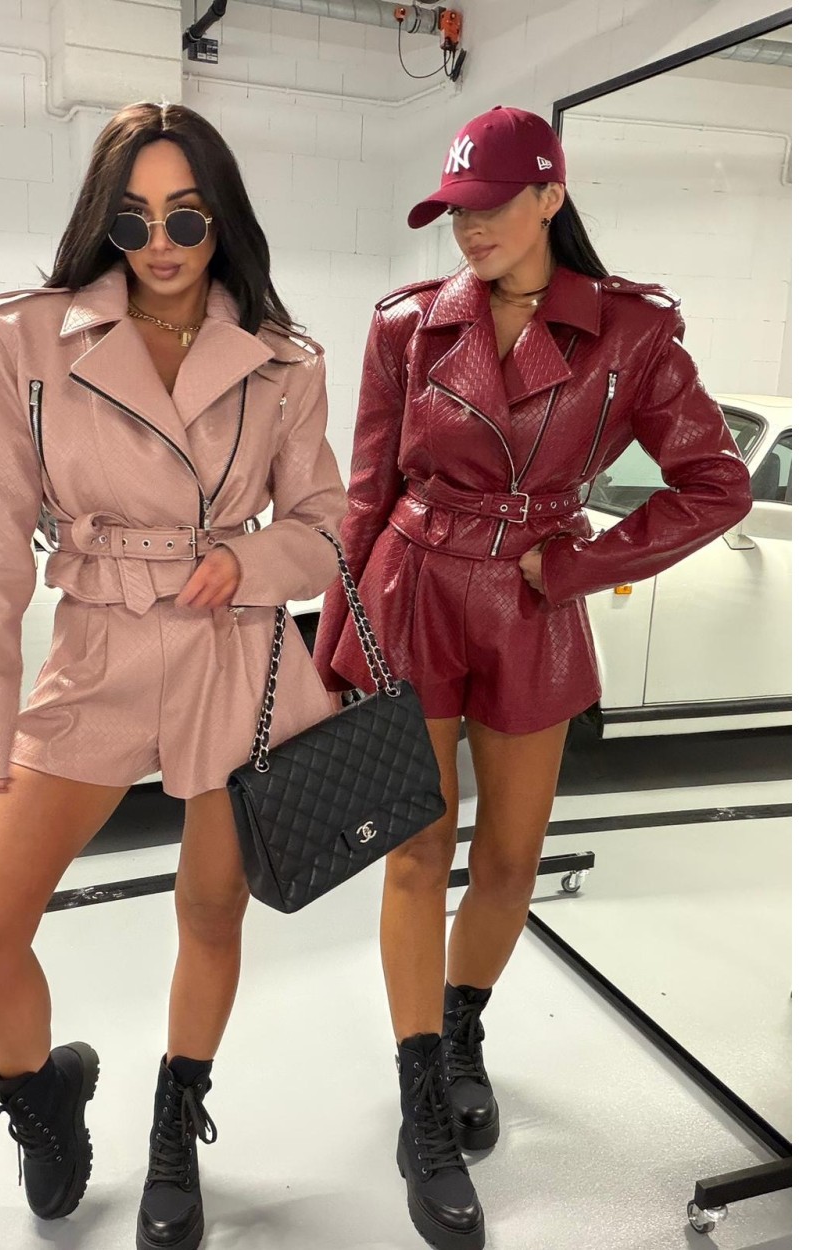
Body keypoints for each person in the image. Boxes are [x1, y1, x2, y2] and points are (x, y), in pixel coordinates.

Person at [312, 105, 752, 1250]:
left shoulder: (630, 333)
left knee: (510, 853)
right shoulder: (407, 325)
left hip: (530, 605)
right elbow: (365, 492)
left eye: (492, 206)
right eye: (455, 211)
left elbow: (715, 483)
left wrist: (580, 564)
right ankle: (422, 1092)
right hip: (412, 588)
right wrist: (333, 644)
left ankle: (461, 1025)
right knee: (417, 849)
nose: (469, 230)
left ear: (551, 195)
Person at [0, 101, 347, 1250]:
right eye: (131, 218)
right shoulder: (24, 338)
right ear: (102, 221)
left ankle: (178, 1121)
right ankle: (44, 1096)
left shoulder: (284, 358)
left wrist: (251, 560)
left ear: (222, 218)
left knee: (210, 908)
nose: (159, 242)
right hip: (99, 644)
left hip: (233, 646)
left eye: (186, 216)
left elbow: (326, 525)